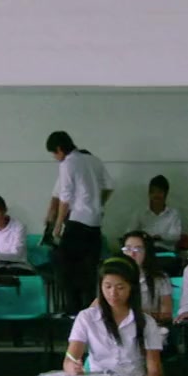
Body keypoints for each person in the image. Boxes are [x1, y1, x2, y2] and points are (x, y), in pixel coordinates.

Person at [47, 131, 114, 314]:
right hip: (95, 224)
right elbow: (110, 185)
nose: (55, 158)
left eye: (54, 154)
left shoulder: (68, 163)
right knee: (89, 272)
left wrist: (58, 224)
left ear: (60, 149)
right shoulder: (94, 160)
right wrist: (98, 203)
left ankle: (72, 310)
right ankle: (89, 312)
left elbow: (65, 197)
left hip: (77, 222)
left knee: (65, 267)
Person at [118, 231, 173, 324]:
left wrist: (140, 315)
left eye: (138, 249)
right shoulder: (114, 276)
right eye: (128, 249)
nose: (132, 254)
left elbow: (166, 314)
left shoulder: (160, 278)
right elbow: (96, 308)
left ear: (147, 252)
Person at [127, 175, 182, 251]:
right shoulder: (140, 213)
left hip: (165, 252)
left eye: (159, 192)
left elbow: (175, 236)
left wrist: (160, 237)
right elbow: (130, 232)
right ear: (149, 194)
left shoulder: (173, 214)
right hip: (145, 251)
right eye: (153, 192)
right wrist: (142, 237)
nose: (156, 195)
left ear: (166, 194)